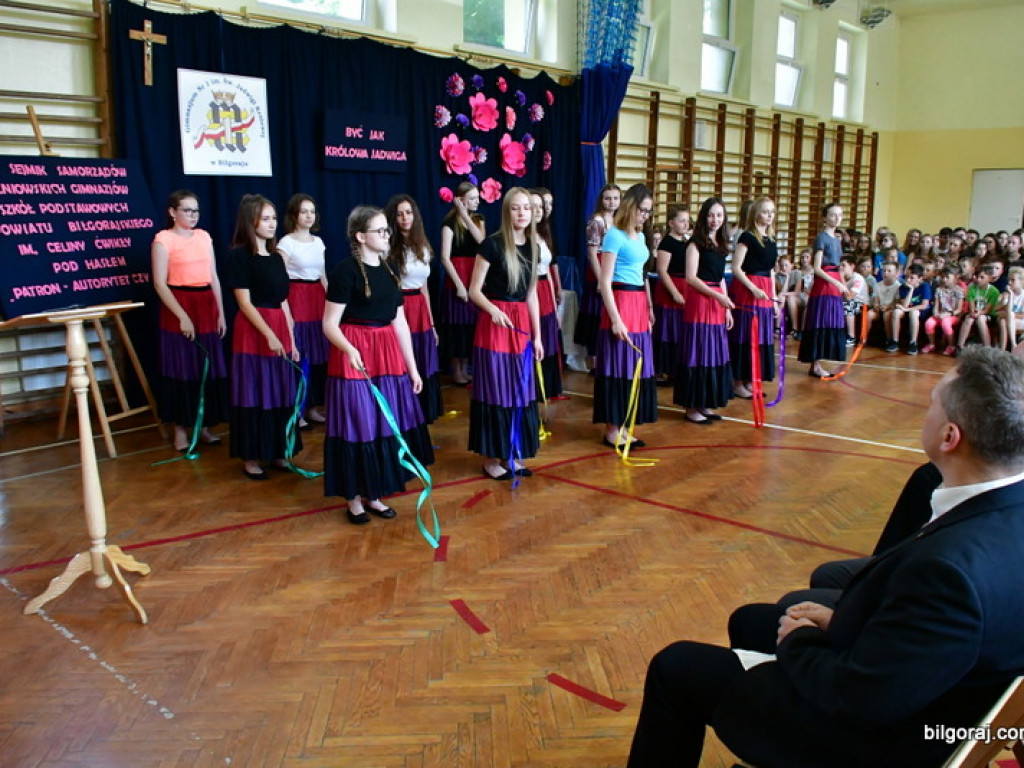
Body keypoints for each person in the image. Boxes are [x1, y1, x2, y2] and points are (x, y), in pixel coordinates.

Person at [628, 347, 1024, 768]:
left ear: (949, 436)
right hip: (938, 691)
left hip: (885, 738)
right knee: (750, 620)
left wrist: (800, 639)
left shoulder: (946, 572)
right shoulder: (997, 510)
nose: (923, 413)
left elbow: (861, 697)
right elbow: (924, 646)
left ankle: (774, 727)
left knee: (676, 668)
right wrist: (838, 623)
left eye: (931, 405)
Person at [322, 205, 434, 524]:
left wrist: (412, 369)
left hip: (386, 355)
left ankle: (374, 493)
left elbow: (400, 324)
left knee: (382, 424)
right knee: (357, 424)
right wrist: (349, 348)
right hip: (355, 354)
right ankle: (353, 499)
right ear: (360, 236)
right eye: (380, 230)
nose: (387, 235)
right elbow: (329, 324)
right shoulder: (345, 271)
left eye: (387, 230)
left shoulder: (389, 271)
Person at [467, 187, 543, 480]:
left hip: (521, 325)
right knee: (496, 389)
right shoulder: (492, 245)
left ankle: (511, 453)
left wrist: (537, 336)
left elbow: (532, 295)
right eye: (516, 208)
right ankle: (491, 459)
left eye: (526, 208)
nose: (522, 213)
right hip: (496, 326)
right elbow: (474, 290)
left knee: (519, 390)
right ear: (507, 211)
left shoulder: (534, 247)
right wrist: (492, 310)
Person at [227, 194, 301, 480]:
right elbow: (244, 303)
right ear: (251, 221)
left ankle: (277, 450)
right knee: (256, 389)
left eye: (273, 218)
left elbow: (283, 300)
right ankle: (252, 456)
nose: (272, 224)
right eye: (265, 219)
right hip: (254, 331)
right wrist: (269, 334)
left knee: (280, 389)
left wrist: (290, 338)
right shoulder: (239, 255)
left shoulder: (277, 257)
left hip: (278, 326)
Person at [151, 189, 228, 452]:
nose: (193, 215)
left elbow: (214, 276)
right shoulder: (163, 239)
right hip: (180, 305)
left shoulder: (205, 236)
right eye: (187, 210)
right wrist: (182, 316)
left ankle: (204, 426)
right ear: (173, 212)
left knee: (206, 366)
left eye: (196, 210)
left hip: (206, 304)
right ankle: (180, 430)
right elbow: (160, 284)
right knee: (182, 367)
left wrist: (220, 312)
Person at [593, 184, 658, 447]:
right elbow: (605, 282)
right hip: (620, 302)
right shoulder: (613, 236)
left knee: (634, 367)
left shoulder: (640, 237)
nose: (645, 216)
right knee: (617, 364)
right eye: (642, 210)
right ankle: (612, 429)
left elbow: (642, 277)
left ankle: (624, 424)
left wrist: (649, 308)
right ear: (630, 206)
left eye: (648, 212)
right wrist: (616, 318)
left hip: (638, 304)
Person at [673, 197, 734, 424]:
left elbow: (720, 279)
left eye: (719, 215)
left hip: (716, 303)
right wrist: (717, 296)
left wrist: (725, 305)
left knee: (712, 351)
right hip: (700, 303)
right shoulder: (694, 244)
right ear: (703, 217)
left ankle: (704, 401)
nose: (715, 219)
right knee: (698, 350)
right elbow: (691, 278)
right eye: (711, 215)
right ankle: (691, 407)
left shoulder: (721, 245)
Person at [385, 194, 442, 423]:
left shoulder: (423, 245)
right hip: (401, 306)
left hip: (420, 307)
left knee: (423, 357)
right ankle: (405, 410)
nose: (405, 217)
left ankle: (424, 410)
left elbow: (425, 287)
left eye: (408, 212)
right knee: (404, 357)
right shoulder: (388, 247)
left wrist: (432, 324)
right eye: (399, 214)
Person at [277, 193, 328, 427]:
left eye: (312, 211)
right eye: (304, 211)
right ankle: (297, 409)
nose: (309, 216)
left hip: (317, 298)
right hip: (297, 298)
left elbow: (323, 276)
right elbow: (278, 278)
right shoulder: (286, 243)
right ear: (294, 215)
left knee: (319, 357)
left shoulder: (318, 242)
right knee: (301, 355)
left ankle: (313, 407)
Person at [727, 197, 777, 399]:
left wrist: (773, 298)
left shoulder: (771, 240)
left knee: (760, 336)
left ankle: (750, 380)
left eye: (772, 212)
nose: (769, 216)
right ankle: (739, 382)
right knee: (746, 334)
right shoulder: (747, 236)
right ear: (757, 213)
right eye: (765, 212)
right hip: (749, 289)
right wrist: (753, 288)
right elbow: (736, 268)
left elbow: (771, 271)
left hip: (764, 290)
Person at [439, 182, 486, 385]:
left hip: (474, 276)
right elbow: (444, 257)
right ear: (461, 199)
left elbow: (481, 242)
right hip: (457, 277)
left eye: (477, 197)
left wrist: (466, 215)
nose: (477, 201)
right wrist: (459, 285)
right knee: (456, 326)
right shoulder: (449, 224)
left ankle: (466, 367)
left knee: (470, 326)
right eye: (473, 198)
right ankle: (456, 370)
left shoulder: (478, 219)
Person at [799, 202, 851, 378]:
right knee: (820, 321)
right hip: (824, 285)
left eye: (839, 215)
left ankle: (819, 362)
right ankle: (815, 364)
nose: (837, 218)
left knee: (830, 322)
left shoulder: (837, 240)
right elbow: (817, 267)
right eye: (832, 215)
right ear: (824, 217)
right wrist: (836, 283)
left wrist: (842, 285)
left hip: (834, 283)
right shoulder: (821, 238)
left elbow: (838, 268)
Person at [576, 184, 621, 369]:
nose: (612, 202)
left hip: (614, 267)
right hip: (599, 269)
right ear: (601, 200)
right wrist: (601, 279)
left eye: (615, 198)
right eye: (608, 198)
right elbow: (592, 253)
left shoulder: (619, 220)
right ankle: (594, 358)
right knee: (596, 314)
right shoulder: (597, 221)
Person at [530, 189, 563, 399]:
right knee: (535, 335)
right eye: (533, 207)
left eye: (540, 207)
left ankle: (547, 388)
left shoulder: (544, 235)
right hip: (530, 290)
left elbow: (548, 271)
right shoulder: (522, 237)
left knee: (549, 336)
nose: (538, 211)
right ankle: (532, 386)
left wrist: (553, 301)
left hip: (544, 289)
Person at [653, 204, 691, 383]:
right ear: (671, 223)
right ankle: (664, 370)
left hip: (684, 287)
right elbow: (662, 270)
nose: (685, 224)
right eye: (681, 221)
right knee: (668, 331)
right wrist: (675, 292)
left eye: (687, 221)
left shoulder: (686, 242)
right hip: (670, 290)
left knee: (680, 332)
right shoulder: (667, 242)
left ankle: (676, 369)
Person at [888, 263, 932, 354]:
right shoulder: (903, 287)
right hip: (907, 308)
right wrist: (911, 289)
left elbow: (924, 305)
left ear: (920, 279)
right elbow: (904, 305)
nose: (908, 279)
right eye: (907, 277)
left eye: (912, 278)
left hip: (920, 311)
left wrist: (907, 310)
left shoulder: (925, 286)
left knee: (914, 312)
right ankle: (894, 341)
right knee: (896, 312)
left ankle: (913, 343)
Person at [923, 266, 965, 356]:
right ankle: (931, 344)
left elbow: (959, 309)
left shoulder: (959, 291)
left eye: (947, 277)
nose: (944, 279)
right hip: (941, 314)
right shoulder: (939, 290)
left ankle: (951, 345)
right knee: (929, 323)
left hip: (953, 315)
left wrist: (949, 314)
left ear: (955, 277)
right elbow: (936, 305)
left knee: (945, 323)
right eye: (943, 277)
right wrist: (935, 313)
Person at [958, 264, 1000, 350]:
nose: (978, 280)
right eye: (977, 277)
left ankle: (987, 347)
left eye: (982, 277)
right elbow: (971, 305)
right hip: (975, 312)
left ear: (990, 279)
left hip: (988, 314)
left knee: (981, 319)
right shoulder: (972, 288)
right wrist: (973, 312)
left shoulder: (994, 291)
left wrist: (980, 313)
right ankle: (960, 345)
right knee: (969, 319)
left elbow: (987, 309)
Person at [998, 265, 1024, 351]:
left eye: (1013, 280)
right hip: (1009, 321)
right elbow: (1001, 312)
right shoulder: (1006, 294)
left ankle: (1008, 347)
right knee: (1003, 321)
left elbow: (1022, 315)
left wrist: (1011, 315)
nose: (1009, 282)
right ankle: (1008, 347)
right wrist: (1011, 296)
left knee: (1006, 319)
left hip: (1020, 321)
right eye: (1009, 280)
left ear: (1021, 281)